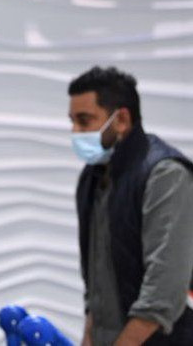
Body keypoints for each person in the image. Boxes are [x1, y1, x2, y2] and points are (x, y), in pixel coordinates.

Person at [68, 66, 193, 345]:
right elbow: (96, 284)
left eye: (84, 121)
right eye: (72, 122)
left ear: (122, 119)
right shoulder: (92, 179)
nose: (75, 132)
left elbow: (163, 292)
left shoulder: (165, 175)